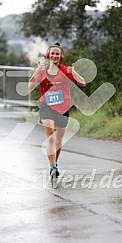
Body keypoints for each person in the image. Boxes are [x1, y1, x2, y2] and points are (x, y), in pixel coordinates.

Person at [28, 43, 86, 178]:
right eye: (52, 53)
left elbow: (82, 83)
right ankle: (52, 166)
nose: (54, 56)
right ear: (48, 55)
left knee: (59, 140)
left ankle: (55, 162)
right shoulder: (42, 71)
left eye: (57, 54)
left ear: (61, 56)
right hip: (46, 107)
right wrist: (36, 71)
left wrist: (74, 72)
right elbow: (29, 87)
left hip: (63, 108)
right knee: (51, 138)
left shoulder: (66, 71)